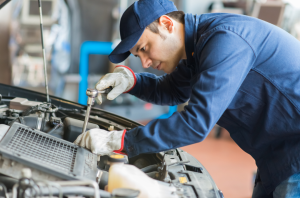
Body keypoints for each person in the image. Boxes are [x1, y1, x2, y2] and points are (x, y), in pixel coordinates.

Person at [74, 0, 300, 197]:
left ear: (167, 24)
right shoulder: (195, 49)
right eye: (137, 55)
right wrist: (132, 81)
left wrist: (121, 141)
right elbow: (171, 90)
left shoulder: (225, 40)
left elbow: (196, 122)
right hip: (273, 157)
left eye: (144, 48)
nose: (145, 62)